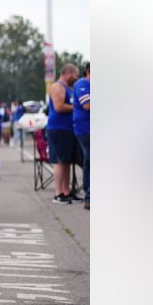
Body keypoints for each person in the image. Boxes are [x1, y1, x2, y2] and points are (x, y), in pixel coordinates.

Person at [47, 64, 81, 204]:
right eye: (76, 74)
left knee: (66, 161)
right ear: (68, 73)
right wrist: (78, 107)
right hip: (58, 128)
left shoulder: (69, 88)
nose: (77, 78)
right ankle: (58, 193)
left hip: (68, 129)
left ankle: (67, 192)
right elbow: (59, 107)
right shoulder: (58, 87)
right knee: (60, 161)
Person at [72, 63, 91, 210]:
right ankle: (89, 196)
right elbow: (87, 105)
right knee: (90, 161)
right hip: (85, 129)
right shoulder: (82, 84)